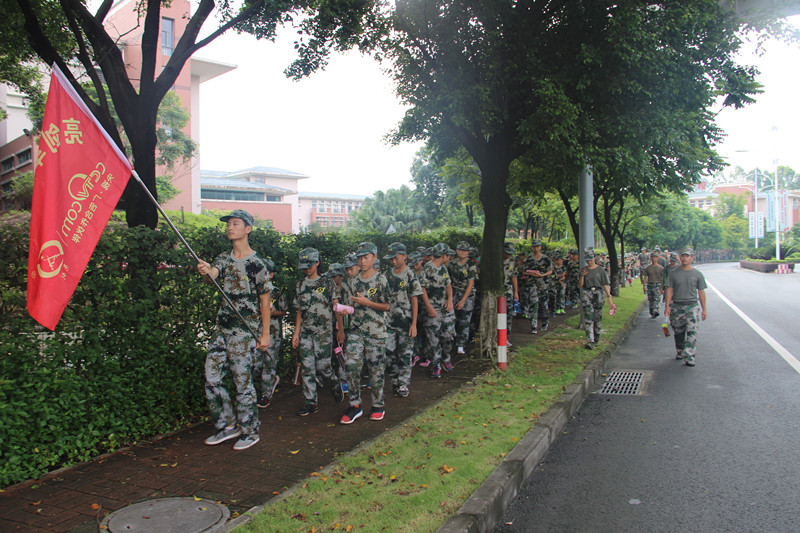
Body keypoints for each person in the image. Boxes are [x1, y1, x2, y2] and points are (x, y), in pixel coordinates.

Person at [197, 209, 270, 451]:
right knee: (212, 377)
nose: (230, 227)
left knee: (242, 382)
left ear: (248, 228)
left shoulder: (256, 264)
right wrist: (208, 271)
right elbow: (214, 276)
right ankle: (228, 425)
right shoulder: (222, 259)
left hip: (244, 333)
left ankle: (250, 430)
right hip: (222, 329)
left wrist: (265, 334)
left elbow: (264, 301)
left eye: (235, 223)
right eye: (228, 224)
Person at [340, 242, 390, 423]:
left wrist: (368, 303)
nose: (362, 261)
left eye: (366, 257)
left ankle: (378, 405)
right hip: (356, 331)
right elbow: (351, 305)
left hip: (376, 332)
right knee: (351, 365)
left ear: (374, 258)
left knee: (376, 370)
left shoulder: (381, 280)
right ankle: (354, 405)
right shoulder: (352, 281)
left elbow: (387, 305)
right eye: (359, 257)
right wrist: (344, 309)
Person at [292, 248, 344, 417]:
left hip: (323, 332)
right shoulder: (300, 285)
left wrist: (340, 328)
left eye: (310, 265)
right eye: (304, 266)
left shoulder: (327, 282)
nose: (307, 269)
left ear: (317, 263)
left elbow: (336, 306)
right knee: (307, 367)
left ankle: (334, 383)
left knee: (323, 366)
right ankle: (310, 402)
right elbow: (300, 310)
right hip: (307, 332)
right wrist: (296, 333)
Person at [384, 242, 423, 398]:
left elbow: (414, 300)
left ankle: (404, 384)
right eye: (391, 259)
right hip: (389, 323)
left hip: (406, 323)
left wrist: (414, 324)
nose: (393, 261)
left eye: (396, 258)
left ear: (405, 257)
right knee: (388, 353)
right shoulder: (387, 275)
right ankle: (395, 380)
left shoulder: (410, 275)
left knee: (405, 354)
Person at [664, 248, 707, 367]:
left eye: (687, 256)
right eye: (683, 256)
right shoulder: (673, 274)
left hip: (692, 305)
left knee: (692, 331)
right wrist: (667, 306)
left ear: (691, 258)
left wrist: (704, 309)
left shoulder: (697, 274)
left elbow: (701, 292)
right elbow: (669, 290)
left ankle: (689, 356)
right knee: (678, 331)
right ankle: (680, 350)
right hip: (677, 306)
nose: (684, 258)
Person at [255, 258, 286, 409]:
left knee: (269, 363)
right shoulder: (253, 291)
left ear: (271, 274)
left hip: (272, 333)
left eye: (265, 272)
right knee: (255, 364)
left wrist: (273, 313)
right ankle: (271, 380)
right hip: (256, 333)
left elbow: (283, 311)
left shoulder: (276, 292)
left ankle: (266, 395)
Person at [419, 243, 454, 378]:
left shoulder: (443, 268)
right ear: (444, 255)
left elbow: (448, 285)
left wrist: (450, 300)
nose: (449, 257)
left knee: (448, 336)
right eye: (448, 255)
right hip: (433, 309)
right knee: (433, 339)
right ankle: (435, 365)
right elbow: (422, 289)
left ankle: (446, 358)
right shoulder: (427, 269)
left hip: (446, 308)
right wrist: (428, 307)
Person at [578, 248, 612, 350]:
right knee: (588, 318)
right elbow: (580, 285)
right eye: (587, 260)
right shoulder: (584, 270)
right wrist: (582, 276)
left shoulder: (601, 270)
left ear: (594, 258)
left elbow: (605, 284)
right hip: (587, 293)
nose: (589, 261)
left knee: (597, 317)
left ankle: (596, 337)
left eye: (590, 259)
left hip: (598, 293)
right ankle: (590, 340)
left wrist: (609, 296)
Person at [448, 241, 477, 354]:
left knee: (464, 320)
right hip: (454, 292)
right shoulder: (452, 263)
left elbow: (471, 284)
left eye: (465, 251)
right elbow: (448, 282)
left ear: (468, 252)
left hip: (467, 294)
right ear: (456, 250)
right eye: (460, 250)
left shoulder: (471, 265)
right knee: (452, 318)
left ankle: (461, 344)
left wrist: (463, 300)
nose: (462, 252)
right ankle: (451, 340)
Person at [520, 239, 552, 334]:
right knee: (533, 305)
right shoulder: (529, 258)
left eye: (537, 246)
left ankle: (545, 322)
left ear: (540, 247)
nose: (536, 248)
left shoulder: (545, 259)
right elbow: (523, 270)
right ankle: (534, 326)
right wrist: (529, 274)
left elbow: (550, 270)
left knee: (544, 305)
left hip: (543, 284)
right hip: (531, 284)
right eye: (534, 247)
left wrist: (542, 275)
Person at [503, 242, 519, 338]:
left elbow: (514, 277)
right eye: (507, 252)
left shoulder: (513, 261)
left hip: (508, 291)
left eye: (510, 253)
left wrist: (516, 292)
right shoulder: (496, 260)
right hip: (496, 291)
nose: (508, 255)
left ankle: (506, 337)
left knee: (508, 315)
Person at [642, 252, 665, 318]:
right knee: (651, 299)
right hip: (650, 284)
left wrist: (662, 288)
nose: (653, 258)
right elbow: (645, 278)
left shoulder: (661, 268)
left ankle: (656, 310)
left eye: (655, 257)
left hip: (658, 285)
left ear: (658, 258)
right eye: (652, 257)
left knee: (656, 298)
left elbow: (662, 278)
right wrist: (644, 287)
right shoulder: (648, 268)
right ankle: (652, 311)